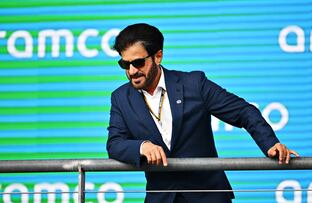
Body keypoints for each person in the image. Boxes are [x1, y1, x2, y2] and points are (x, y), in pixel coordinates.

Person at [106, 23, 299, 203]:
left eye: (138, 63)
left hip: (209, 195)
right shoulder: (120, 97)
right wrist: (141, 147)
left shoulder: (194, 84)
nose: (131, 71)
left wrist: (270, 144)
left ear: (158, 56)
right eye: (125, 64)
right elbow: (115, 144)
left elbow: (243, 111)